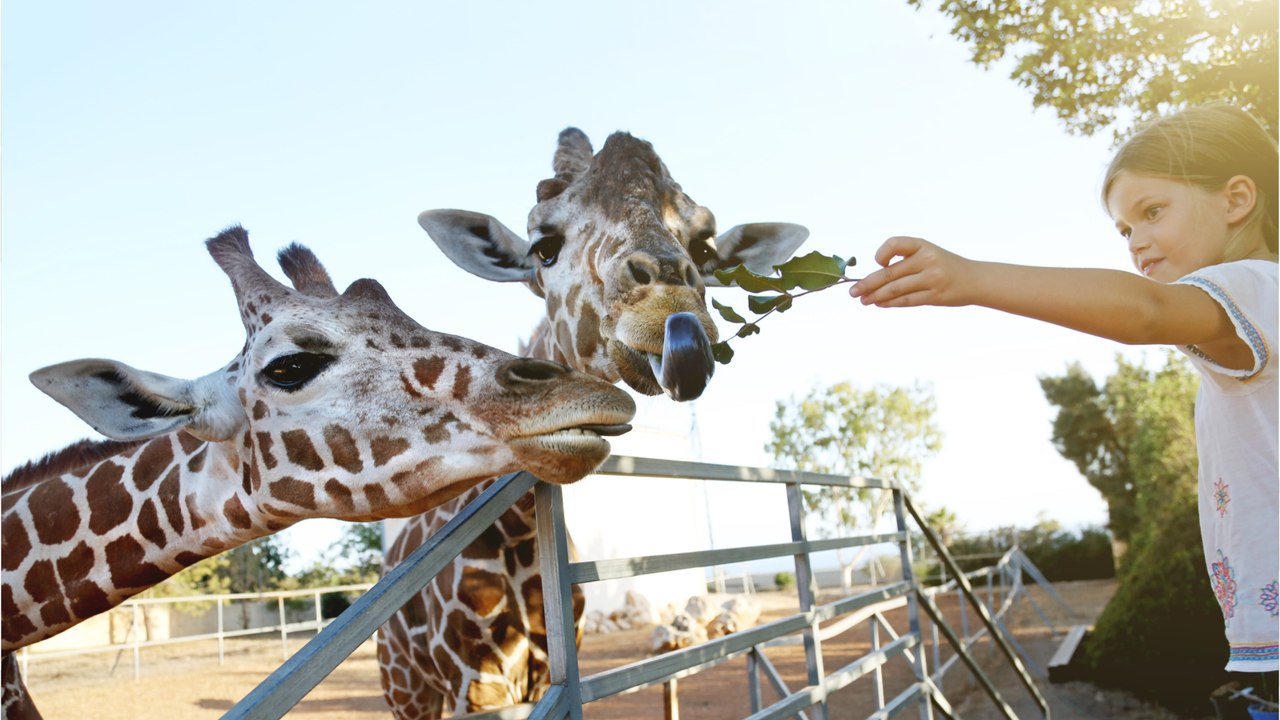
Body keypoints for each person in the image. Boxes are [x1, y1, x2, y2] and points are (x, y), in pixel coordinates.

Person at [850, 104, 1278, 701]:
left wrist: (969, 279)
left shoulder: (1258, 285)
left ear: (1236, 200)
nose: (1138, 242)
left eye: (1153, 212)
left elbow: (1145, 311)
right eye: (1125, 231)